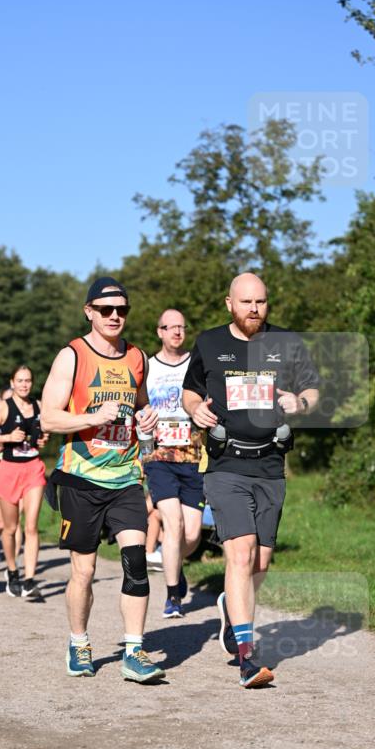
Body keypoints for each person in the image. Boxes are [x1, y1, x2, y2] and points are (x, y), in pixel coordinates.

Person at [182, 272, 319, 688]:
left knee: (259, 561)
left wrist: (300, 402)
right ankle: (246, 655)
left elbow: (314, 390)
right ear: (229, 304)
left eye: (261, 302)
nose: (254, 310)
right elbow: (190, 391)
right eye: (246, 303)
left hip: (271, 465)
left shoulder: (287, 343)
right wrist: (195, 411)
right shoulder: (208, 343)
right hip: (226, 464)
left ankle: (231, 605)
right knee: (239, 555)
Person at [41, 276, 163, 683]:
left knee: (136, 562)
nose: (115, 316)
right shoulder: (72, 356)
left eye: (122, 310)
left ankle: (134, 650)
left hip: (126, 476)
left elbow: (142, 408)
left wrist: (147, 420)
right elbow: (49, 417)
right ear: (89, 312)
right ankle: (79, 642)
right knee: (85, 571)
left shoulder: (137, 358)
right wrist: (92, 417)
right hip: (80, 478)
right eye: (106, 309)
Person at [143, 309, 205, 618]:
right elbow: (137, 407)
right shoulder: (147, 367)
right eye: (171, 328)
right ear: (160, 332)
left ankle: (174, 567)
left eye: (182, 327)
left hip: (192, 454)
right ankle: (172, 597)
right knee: (173, 523)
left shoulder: (196, 362)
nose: (177, 333)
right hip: (159, 456)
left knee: (191, 535)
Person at [0, 366, 48, 598]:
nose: (24, 385)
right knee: (10, 528)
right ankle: (12, 571)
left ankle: (30, 579)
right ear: (12, 382)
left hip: (33, 468)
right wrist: (8, 438)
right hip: (9, 469)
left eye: (28, 380)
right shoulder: (3, 407)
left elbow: (43, 433)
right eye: (20, 380)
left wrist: (42, 440)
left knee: (31, 526)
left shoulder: (39, 406)